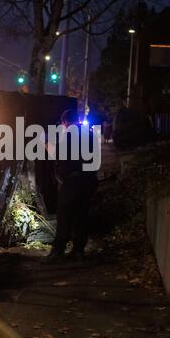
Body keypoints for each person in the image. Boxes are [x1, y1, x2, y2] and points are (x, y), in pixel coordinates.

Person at [43, 109, 97, 263]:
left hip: (73, 182)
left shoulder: (68, 136)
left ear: (65, 122)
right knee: (81, 215)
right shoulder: (90, 135)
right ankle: (79, 251)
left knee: (64, 216)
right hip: (89, 180)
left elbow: (56, 154)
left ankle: (57, 252)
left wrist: (45, 142)